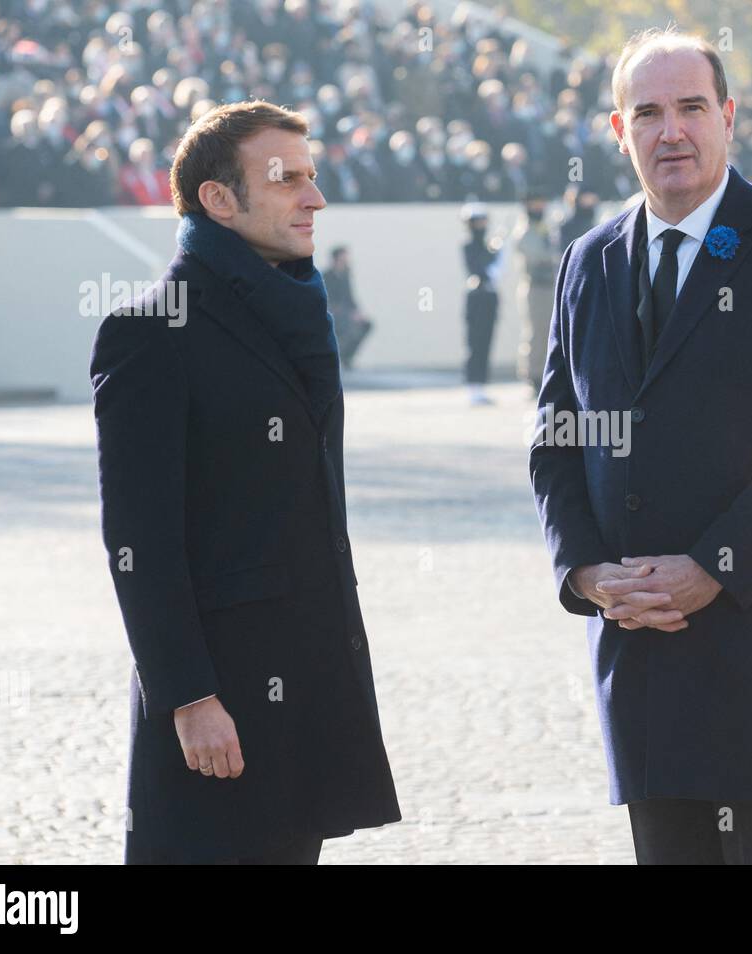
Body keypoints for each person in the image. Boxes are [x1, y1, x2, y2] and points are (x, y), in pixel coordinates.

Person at [529, 27, 752, 865]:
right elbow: (555, 437)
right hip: (641, 646)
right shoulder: (587, 261)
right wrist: (585, 572)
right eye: (647, 112)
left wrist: (712, 566)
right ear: (619, 132)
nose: (670, 130)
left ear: (728, 117)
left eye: (690, 107)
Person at [90, 101, 401, 864]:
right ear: (218, 200)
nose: (314, 197)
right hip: (215, 706)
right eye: (286, 179)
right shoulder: (150, 330)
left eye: (313, 176)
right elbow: (140, 540)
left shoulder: (298, 311)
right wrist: (189, 699)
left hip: (303, 695)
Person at [514, 189, 559, 394]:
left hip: (551, 285)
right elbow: (539, 256)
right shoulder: (525, 230)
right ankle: (533, 374)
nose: (539, 207)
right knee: (536, 332)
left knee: (551, 331)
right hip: (535, 286)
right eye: (535, 204)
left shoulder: (547, 228)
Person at [462, 204, 504, 405]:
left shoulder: (490, 246)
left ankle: (482, 385)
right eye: (477, 222)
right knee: (475, 343)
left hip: (489, 297)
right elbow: (478, 269)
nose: (481, 226)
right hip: (477, 298)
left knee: (486, 341)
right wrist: (494, 251)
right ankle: (473, 385)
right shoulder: (469, 246)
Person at [323, 245, 374, 370]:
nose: (347, 259)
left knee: (367, 325)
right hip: (334, 312)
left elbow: (350, 296)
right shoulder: (327, 275)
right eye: (344, 256)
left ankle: (347, 356)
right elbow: (327, 298)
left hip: (347, 312)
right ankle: (335, 356)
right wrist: (345, 311)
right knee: (345, 325)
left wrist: (358, 312)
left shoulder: (346, 275)